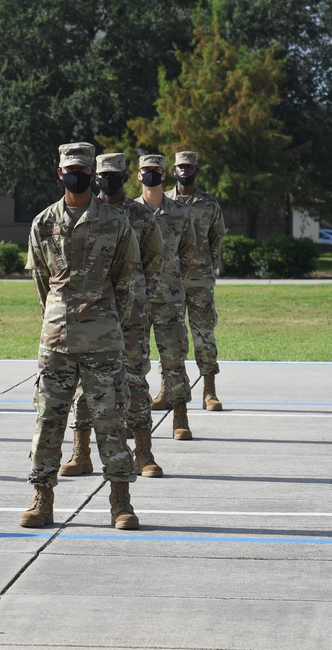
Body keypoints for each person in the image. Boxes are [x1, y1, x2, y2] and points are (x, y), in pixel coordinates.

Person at [21, 142, 142, 531]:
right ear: (60, 173)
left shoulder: (114, 221)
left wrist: (109, 321)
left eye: (82, 169)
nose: (76, 175)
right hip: (56, 340)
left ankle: (121, 502)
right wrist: (57, 318)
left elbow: (126, 280)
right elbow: (42, 283)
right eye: (69, 169)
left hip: (103, 338)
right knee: (48, 420)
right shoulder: (43, 223)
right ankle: (42, 498)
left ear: (92, 173)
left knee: (110, 420)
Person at [60, 153, 166, 478]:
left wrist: (139, 298)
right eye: (102, 175)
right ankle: (81, 453)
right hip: (90, 318)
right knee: (83, 387)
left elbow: (154, 262)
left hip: (132, 317)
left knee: (134, 381)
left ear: (123, 176)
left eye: (113, 175)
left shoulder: (141, 216)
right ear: (95, 177)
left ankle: (144, 453)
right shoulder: (83, 214)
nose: (107, 181)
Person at [135, 155, 197, 440]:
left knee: (174, 359)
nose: (151, 175)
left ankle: (180, 417)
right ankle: (135, 421)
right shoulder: (130, 212)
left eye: (156, 171)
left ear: (164, 175)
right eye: (146, 171)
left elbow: (188, 253)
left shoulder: (179, 212)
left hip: (170, 297)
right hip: (136, 299)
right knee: (134, 362)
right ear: (138, 175)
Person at [167, 150, 226, 411]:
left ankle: (209, 390)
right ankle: (167, 389)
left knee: (204, 335)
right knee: (170, 337)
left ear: (196, 170)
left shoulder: (209, 204)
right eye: (180, 166)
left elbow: (217, 240)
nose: (184, 171)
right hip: (169, 281)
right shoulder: (164, 202)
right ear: (174, 170)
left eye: (189, 167)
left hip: (200, 280)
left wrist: (208, 269)